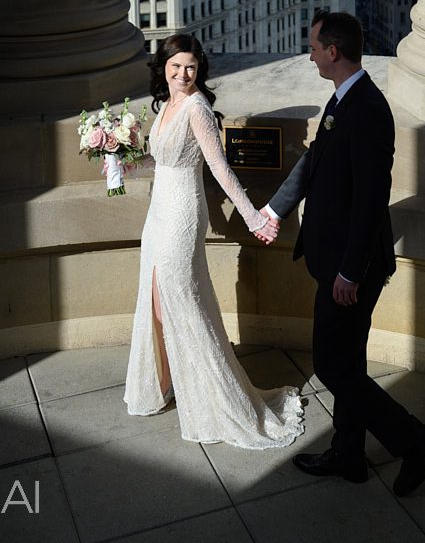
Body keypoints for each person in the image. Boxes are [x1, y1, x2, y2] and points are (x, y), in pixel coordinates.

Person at [260, 10, 425, 495]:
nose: (311, 53)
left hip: (351, 270)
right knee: (349, 364)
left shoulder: (367, 110)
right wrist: (276, 209)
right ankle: (349, 453)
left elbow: (369, 200)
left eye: (315, 46)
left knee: (332, 366)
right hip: (336, 264)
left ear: (333, 52)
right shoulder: (345, 99)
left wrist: (348, 271)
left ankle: (414, 439)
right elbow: (316, 163)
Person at [124, 33, 304, 449]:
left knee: (181, 300)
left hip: (184, 212)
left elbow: (220, 170)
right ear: (163, 69)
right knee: (155, 298)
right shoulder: (166, 105)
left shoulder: (197, 108)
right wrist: (124, 161)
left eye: (190, 66)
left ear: (199, 69)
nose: (183, 74)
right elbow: (163, 159)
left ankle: (214, 399)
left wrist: (253, 216)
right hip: (158, 212)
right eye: (175, 66)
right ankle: (170, 382)